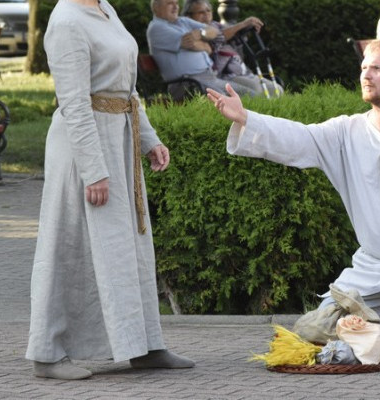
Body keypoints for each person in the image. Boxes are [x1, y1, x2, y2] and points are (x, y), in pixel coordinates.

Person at [207, 38, 380, 360]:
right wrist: (247, 119)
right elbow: (300, 137)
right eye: (364, 68)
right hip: (373, 269)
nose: (366, 75)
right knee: (314, 330)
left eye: (377, 68)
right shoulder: (346, 132)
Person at [26, 0, 194, 380]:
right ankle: (48, 354)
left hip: (119, 141)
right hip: (83, 150)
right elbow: (73, 101)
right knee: (69, 246)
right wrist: (93, 170)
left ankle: (143, 345)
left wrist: (149, 140)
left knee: (128, 249)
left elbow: (127, 89)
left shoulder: (105, 9)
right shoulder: (67, 19)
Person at [147, 0, 257, 100]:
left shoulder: (182, 21)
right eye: (170, 3)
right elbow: (192, 43)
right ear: (156, 8)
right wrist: (205, 44)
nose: (175, 7)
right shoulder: (156, 28)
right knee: (231, 101)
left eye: (176, 3)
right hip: (188, 83)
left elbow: (213, 31)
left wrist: (200, 33)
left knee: (251, 95)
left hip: (208, 78)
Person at [182, 0, 282, 96]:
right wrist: (243, 24)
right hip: (224, 76)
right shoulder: (193, 32)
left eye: (208, 10)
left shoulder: (215, 25)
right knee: (257, 89)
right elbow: (220, 37)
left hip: (243, 72)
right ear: (189, 15)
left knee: (277, 89)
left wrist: (247, 27)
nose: (206, 14)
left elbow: (233, 33)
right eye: (201, 12)